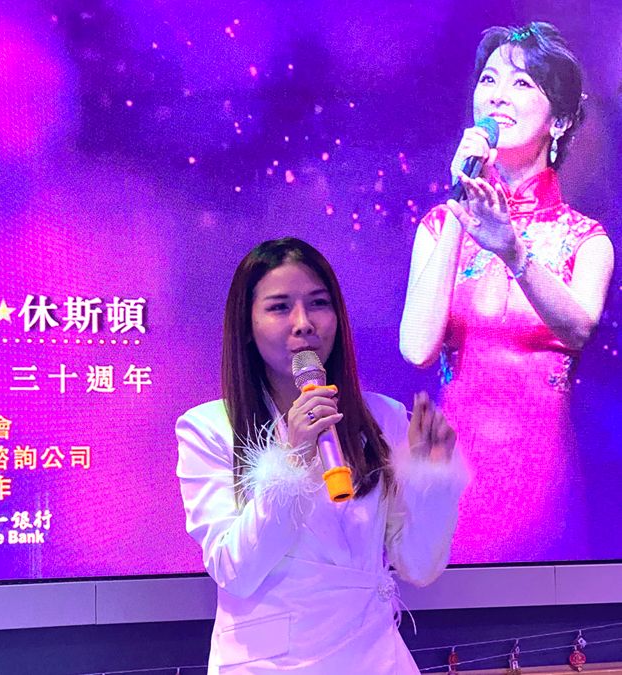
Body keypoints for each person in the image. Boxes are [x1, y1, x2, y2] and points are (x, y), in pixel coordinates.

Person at [177, 237, 469, 673]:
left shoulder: (383, 417)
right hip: (268, 664)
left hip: (373, 656)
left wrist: (431, 475)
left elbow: (419, 566)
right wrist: (292, 458)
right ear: (247, 325)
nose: (303, 323)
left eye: (318, 303)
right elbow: (234, 570)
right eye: (279, 307)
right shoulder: (208, 427)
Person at [399, 21, 614, 563]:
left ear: (559, 121)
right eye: (489, 80)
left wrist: (514, 252)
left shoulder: (586, 240)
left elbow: (579, 327)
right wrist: (459, 202)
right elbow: (417, 348)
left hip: (541, 483)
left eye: (521, 83)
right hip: (449, 481)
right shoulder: (438, 228)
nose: (497, 95)